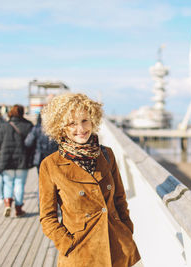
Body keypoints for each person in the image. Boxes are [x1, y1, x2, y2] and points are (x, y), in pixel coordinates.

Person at [39, 93, 140, 266]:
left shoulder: (106, 154)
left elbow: (119, 199)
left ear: (93, 120)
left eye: (85, 120)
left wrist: (127, 229)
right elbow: (47, 217)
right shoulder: (51, 165)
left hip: (118, 248)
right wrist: (67, 244)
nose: (81, 128)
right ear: (61, 127)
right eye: (72, 123)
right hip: (81, 254)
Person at [0, 104, 34, 217]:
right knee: (19, 184)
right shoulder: (28, 125)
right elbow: (32, 144)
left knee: (8, 183)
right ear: (22, 112)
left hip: (6, 159)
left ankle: (7, 203)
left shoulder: (4, 126)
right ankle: (18, 208)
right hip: (22, 160)